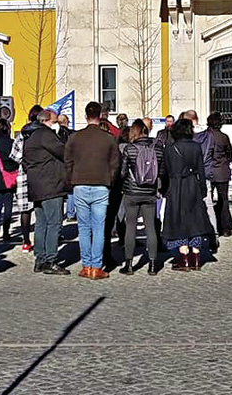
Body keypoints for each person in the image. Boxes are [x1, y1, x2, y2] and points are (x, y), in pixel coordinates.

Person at [63, 100, 119, 278]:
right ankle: (96, 266)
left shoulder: (74, 137)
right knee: (99, 227)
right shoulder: (109, 138)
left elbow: (68, 162)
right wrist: (110, 180)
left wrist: (71, 180)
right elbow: (116, 164)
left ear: (86, 116)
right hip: (101, 184)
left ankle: (86, 265)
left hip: (80, 184)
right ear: (100, 116)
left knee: (84, 228)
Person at [19, 105, 71, 275]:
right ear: (46, 121)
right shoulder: (46, 135)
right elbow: (64, 152)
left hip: (36, 184)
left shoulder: (30, 136)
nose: (57, 125)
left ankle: (40, 259)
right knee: (54, 222)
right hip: (51, 184)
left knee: (41, 223)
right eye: (55, 121)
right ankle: (51, 260)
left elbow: (25, 161)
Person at [159, 117, 215, 271]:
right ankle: (196, 256)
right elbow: (201, 170)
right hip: (193, 185)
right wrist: (203, 189)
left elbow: (164, 172)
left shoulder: (169, 148)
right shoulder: (196, 147)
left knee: (179, 220)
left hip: (175, 186)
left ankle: (183, 256)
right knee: (195, 220)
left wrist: (163, 189)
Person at [115, 120, 162, 274]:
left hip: (132, 192)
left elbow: (122, 172)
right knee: (151, 228)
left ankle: (128, 265)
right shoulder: (158, 148)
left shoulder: (130, 148)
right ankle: (153, 265)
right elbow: (162, 172)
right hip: (150, 192)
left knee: (130, 228)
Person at [202, 112, 232, 237]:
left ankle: (210, 225)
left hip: (208, 171)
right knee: (224, 200)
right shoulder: (223, 137)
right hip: (221, 171)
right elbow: (229, 154)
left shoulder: (204, 136)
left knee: (207, 201)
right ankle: (226, 227)